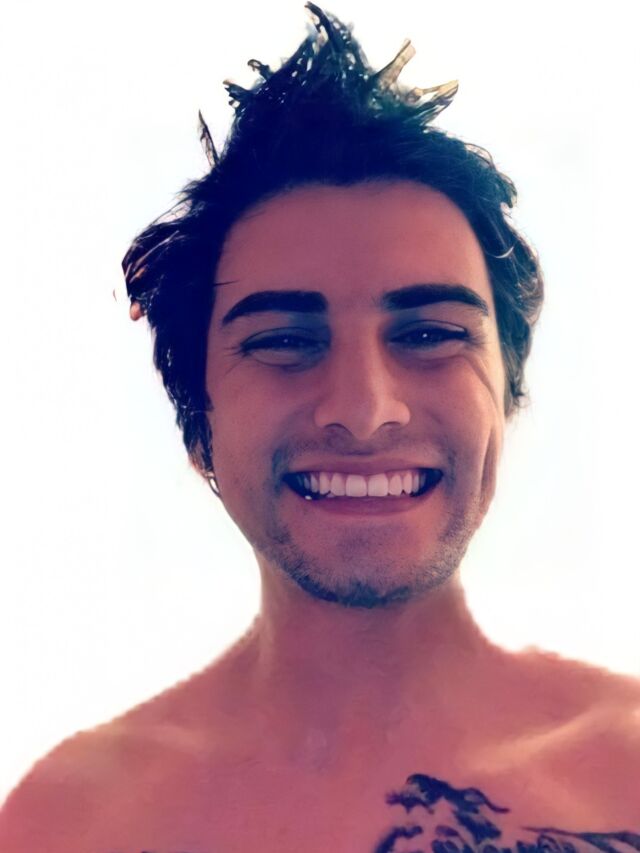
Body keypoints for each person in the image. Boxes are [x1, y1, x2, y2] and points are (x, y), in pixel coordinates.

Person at [2, 4, 639, 851]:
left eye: (430, 334)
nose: (366, 410)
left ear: (507, 395)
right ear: (198, 426)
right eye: (285, 342)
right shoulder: (67, 824)